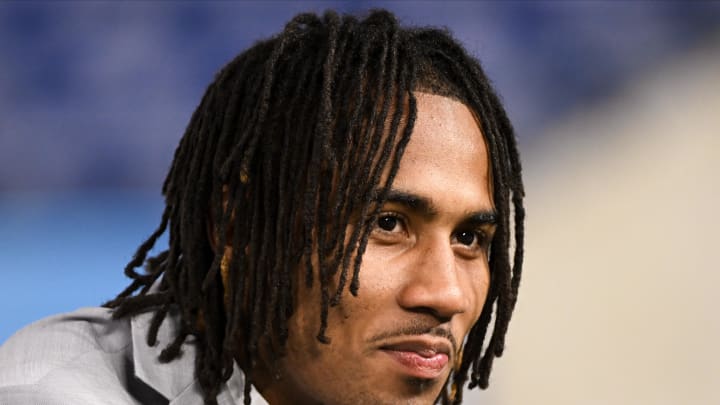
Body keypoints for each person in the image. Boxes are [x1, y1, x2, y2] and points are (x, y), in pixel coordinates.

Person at [0, 9, 524, 405]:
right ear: (236, 224)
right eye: (388, 224)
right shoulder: (52, 394)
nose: (447, 294)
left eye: (468, 239)